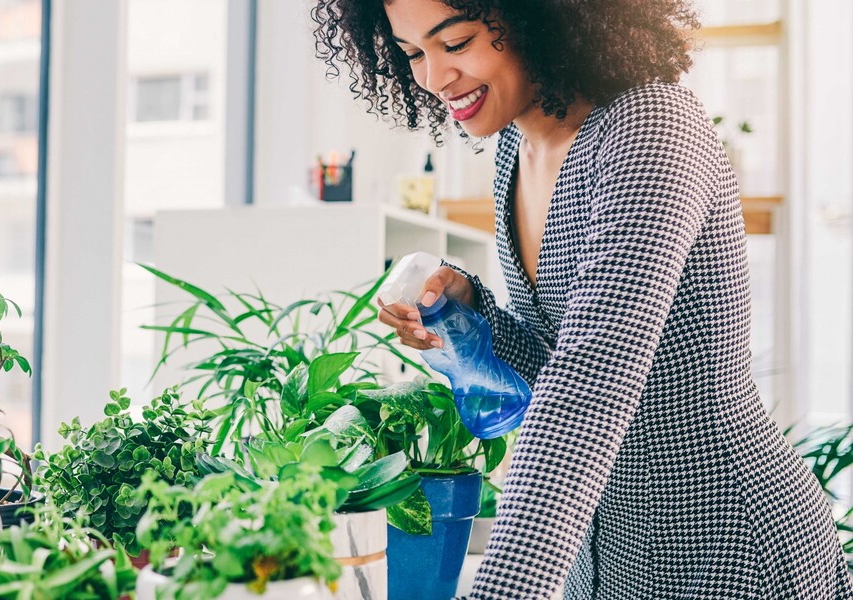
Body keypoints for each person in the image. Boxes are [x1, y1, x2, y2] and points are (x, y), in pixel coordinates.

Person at [310, 0, 853, 597]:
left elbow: (589, 382)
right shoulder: (514, 154)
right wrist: (476, 308)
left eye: (457, 43)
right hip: (602, 548)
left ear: (536, 17)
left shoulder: (650, 128)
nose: (435, 79)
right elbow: (555, 361)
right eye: (413, 53)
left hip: (722, 541)